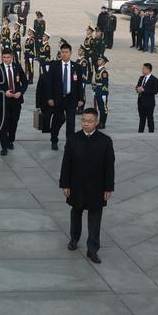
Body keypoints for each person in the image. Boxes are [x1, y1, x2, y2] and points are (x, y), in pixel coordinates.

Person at [59, 108, 115, 264]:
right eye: (83, 120)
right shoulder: (73, 139)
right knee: (75, 214)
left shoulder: (105, 141)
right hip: (76, 185)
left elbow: (109, 167)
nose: (86, 124)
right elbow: (66, 164)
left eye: (89, 121)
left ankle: (93, 249)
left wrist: (108, 188)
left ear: (96, 122)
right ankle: (74, 239)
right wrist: (65, 184)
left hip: (97, 187)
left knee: (95, 218)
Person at [47, 42, 85, 151]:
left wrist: (81, 99)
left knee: (71, 123)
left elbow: (80, 84)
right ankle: (54, 140)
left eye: (66, 52)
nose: (64, 54)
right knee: (57, 120)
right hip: (58, 99)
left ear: (70, 53)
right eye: (62, 52)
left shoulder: (76, 67)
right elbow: (49, 83)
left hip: (71, 99)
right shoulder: (54, 66)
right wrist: (50, 98)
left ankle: (70, 143)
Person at [0, 48, 27, 155]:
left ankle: (10, 140)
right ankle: (4, 147)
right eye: (4, 57)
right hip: (3, 100)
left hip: (16, 100)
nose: (6, 59)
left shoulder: (17, 67)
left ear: (12, 57)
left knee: (14, 121)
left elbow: (25, 82)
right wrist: (4, 91)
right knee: (3, 123)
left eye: (8, 57)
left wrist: (20, 92)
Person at [136, 62, 158, 133]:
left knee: (150, 118)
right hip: (140, 102)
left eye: (144, 68)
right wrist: (137, 89)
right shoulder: (141, 78)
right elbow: (137, 86)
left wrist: (144, 90)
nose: (142, 70)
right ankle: (140, 132)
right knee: (142, 119)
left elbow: (155, 91)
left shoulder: (154, 79)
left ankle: (151, 132)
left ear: (148, 69)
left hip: (149, 103)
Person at [92, 55, 109, 129]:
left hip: (102, 92)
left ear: (104, 62)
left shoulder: (104, 71)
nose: (98, 61)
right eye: (98, 60)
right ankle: (100, 122)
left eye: (100, 60)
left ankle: (102, 123)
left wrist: (104, 94)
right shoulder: (99, 70)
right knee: (99, 108)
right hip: (98, 91)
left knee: (103, 108)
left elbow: (105, 83)